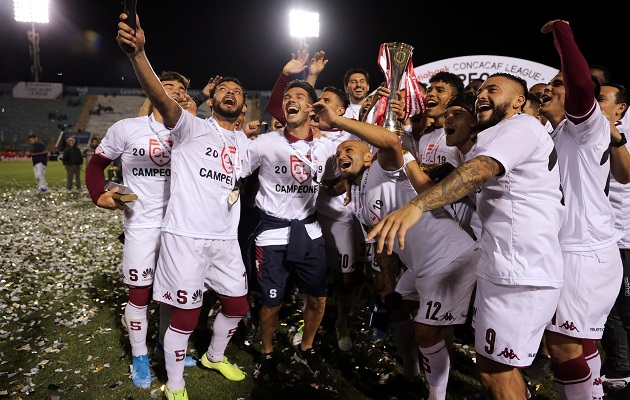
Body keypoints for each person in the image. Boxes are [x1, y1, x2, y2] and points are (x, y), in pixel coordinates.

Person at [366, 72, 565, 399]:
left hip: (521, 271)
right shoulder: (495, 135)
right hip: (502, 266)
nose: (482, 94)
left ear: (518, 102)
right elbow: (462, 181)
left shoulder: (521, 126)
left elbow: (481, 169)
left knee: (495, 374)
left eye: (493, 89)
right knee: (493, 369)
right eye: (481, 89)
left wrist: (415, 207)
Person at [312, 91, 479, 400]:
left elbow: (390, 142)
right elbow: (383, 243)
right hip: (420, 267)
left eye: (349, 148)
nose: (341, 154)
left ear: (367, 156)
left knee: (426, 334)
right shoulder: (361, 201)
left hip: (449, 259)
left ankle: (437, 395)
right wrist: (387, 281)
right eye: (337, 153)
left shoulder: (384, 169)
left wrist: (337, 121)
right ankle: (411, 375)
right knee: (398, 309)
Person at [117, 12, 250, 399]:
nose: (230, 92)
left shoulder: (246, 144)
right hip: (185, 239)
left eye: (237, 91)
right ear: (212, 99)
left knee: (238, 306)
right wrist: (138, 54)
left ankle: (214, 356)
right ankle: (175, 385)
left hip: (225, 241)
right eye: (223, 88)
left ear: (242, 106)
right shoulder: (190, 127)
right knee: (187, 316)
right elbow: (159, 96)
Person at [86, 69, 195, 389]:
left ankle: (163, 346)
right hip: (141, 224)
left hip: (181, 226)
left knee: (171, 295)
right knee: (140, 293)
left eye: (180, 89)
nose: (173, 92)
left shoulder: (193, 132)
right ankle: (139, 355)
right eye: (166, 87)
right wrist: (99, 195)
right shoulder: (127, 128)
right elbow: (96, 165)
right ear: (152, 90)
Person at [537, 20, 625, 400]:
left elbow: (578, 81)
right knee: (572, 343)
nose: (551, 88)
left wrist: (562, 33)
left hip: (585, 253)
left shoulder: (589, 128)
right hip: (569, 250)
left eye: (559, 84)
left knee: (565, 345)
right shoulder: (556, 132)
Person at [245, 79, 338, 384]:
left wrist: (348, 180)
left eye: (299, 96)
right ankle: (269, 354)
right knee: (271, 303)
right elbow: (232, 169)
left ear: (312, 107)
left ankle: (306, 347)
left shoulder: (327, 146)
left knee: (318, 299)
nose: (290, 100)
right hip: (272, 236)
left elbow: (347, 169)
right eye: (287, 97)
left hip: (309, 233)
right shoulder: (264, 143)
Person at [596, 82, 630, 391]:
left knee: (621, 308)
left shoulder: (623, 135)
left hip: (624, 237)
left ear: (620, 107)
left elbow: (625, 177)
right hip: (601, 235)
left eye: (601, 98)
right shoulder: (587, 129)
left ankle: (621, 368)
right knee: (608, 307)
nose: (594, 101)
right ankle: (618, 365)